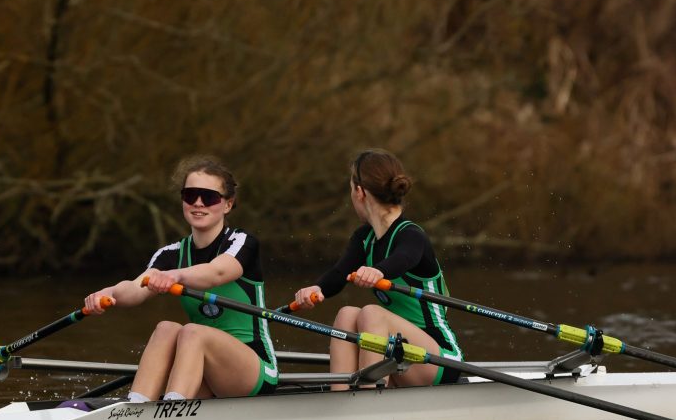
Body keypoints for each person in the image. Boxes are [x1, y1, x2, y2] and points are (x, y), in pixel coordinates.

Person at [83, 155, 278, 402]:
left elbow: (216, 273)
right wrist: (108, 293)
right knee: (166, 328)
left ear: (227, 205)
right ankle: (137, 406)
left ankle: (172, 409)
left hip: (253, 369)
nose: (198, 203)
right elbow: (135, 289)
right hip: (202, 370)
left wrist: (175, 275)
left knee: (192, 332)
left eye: (209, 197)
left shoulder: (242, 242)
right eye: (190, 195)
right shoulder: (170, 254)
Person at [291, 149, 462, 390]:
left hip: (438, 358)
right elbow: (339, 274)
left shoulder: (412, 235)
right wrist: (316, 289)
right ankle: (339, 396)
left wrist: (379, 271)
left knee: (372, 313)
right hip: (398, 353)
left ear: (359, 192)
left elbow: (404, 258)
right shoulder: (364, 238)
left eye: (351, 189)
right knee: (347, 314)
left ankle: (369, 396)